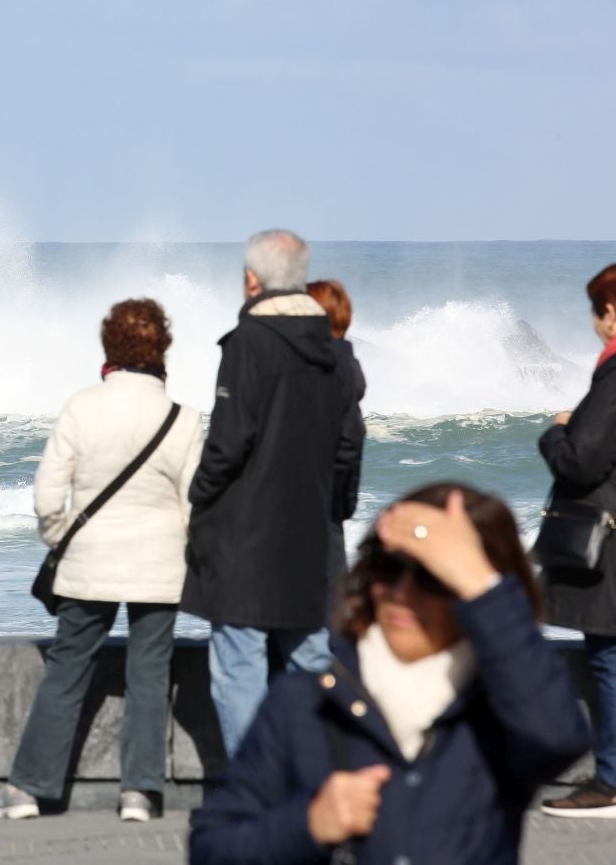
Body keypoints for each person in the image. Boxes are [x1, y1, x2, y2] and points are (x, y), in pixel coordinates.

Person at [190, 483, 590, 864]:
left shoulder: (500, 713)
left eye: (432, 576)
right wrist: (306, 824)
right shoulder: (304, 703)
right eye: (388, 567)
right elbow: (212, 847)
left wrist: (479, 581)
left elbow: (558, 738)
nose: (401, 592)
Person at [0, 299, 204, 822]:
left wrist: (61, 536)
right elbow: (194, 505)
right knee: (150, 673)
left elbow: (47, 493)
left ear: (109, 346)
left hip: (90, 561)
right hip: (158, 565)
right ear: (162, 349)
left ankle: (30, 790)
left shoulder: (83, 406)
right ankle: (139, 794)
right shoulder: (183, 417)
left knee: (67, 668)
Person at [182, 229, 357, 758]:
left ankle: (257, 792)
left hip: (247, 540)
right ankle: (321, 779)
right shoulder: (338, 354)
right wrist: (333, 510)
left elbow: (229, 441)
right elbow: (348, 448)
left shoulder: (248, 344)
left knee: (239, 667)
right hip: (309, 536)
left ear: (252, 280)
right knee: (309, 660)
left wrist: (199, 496)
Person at [538, 263, 616, 819]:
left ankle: (611, 783)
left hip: (608, 544)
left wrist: (558, 430)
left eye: (595, 309)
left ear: (610, 313)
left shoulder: (613, 376)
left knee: (609, 656)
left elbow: (583, 460)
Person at [307, 279, 367, 615]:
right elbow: (351, 445)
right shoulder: (349, 374)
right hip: (329, 518)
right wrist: (341, 507)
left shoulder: (303, 372)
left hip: (292, 521)